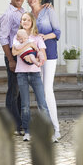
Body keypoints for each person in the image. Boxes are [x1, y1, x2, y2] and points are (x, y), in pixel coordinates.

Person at [26, 0, 61, 142]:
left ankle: (56, 129)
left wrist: (44, 37)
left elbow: (57, 32)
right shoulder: (27, 15)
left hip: (50, 54)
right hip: (34, 56)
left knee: (47, 90)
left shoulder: (49, 11)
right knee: (39, 92)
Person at [12, 12, 51, 141]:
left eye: (28, 20)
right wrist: (29, 45)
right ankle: (27, 131)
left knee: (42, 103)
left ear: (32, 22)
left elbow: (43, 54)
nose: (25, 22)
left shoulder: (38, 38)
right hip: (21, 74)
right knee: (25, 104)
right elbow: (14, 51)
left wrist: (40, 57)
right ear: (21, 22)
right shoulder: (17, 36)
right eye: (23, 20)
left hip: (35, 73)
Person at [0, 0, 26, 135]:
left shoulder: (22, 11)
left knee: (20, 90)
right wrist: (11, 60)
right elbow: (3, 39)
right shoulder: (8, 15)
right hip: (13, 55)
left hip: (22, 55)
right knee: (13, 91)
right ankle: (13, 125)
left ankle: (20, 122)